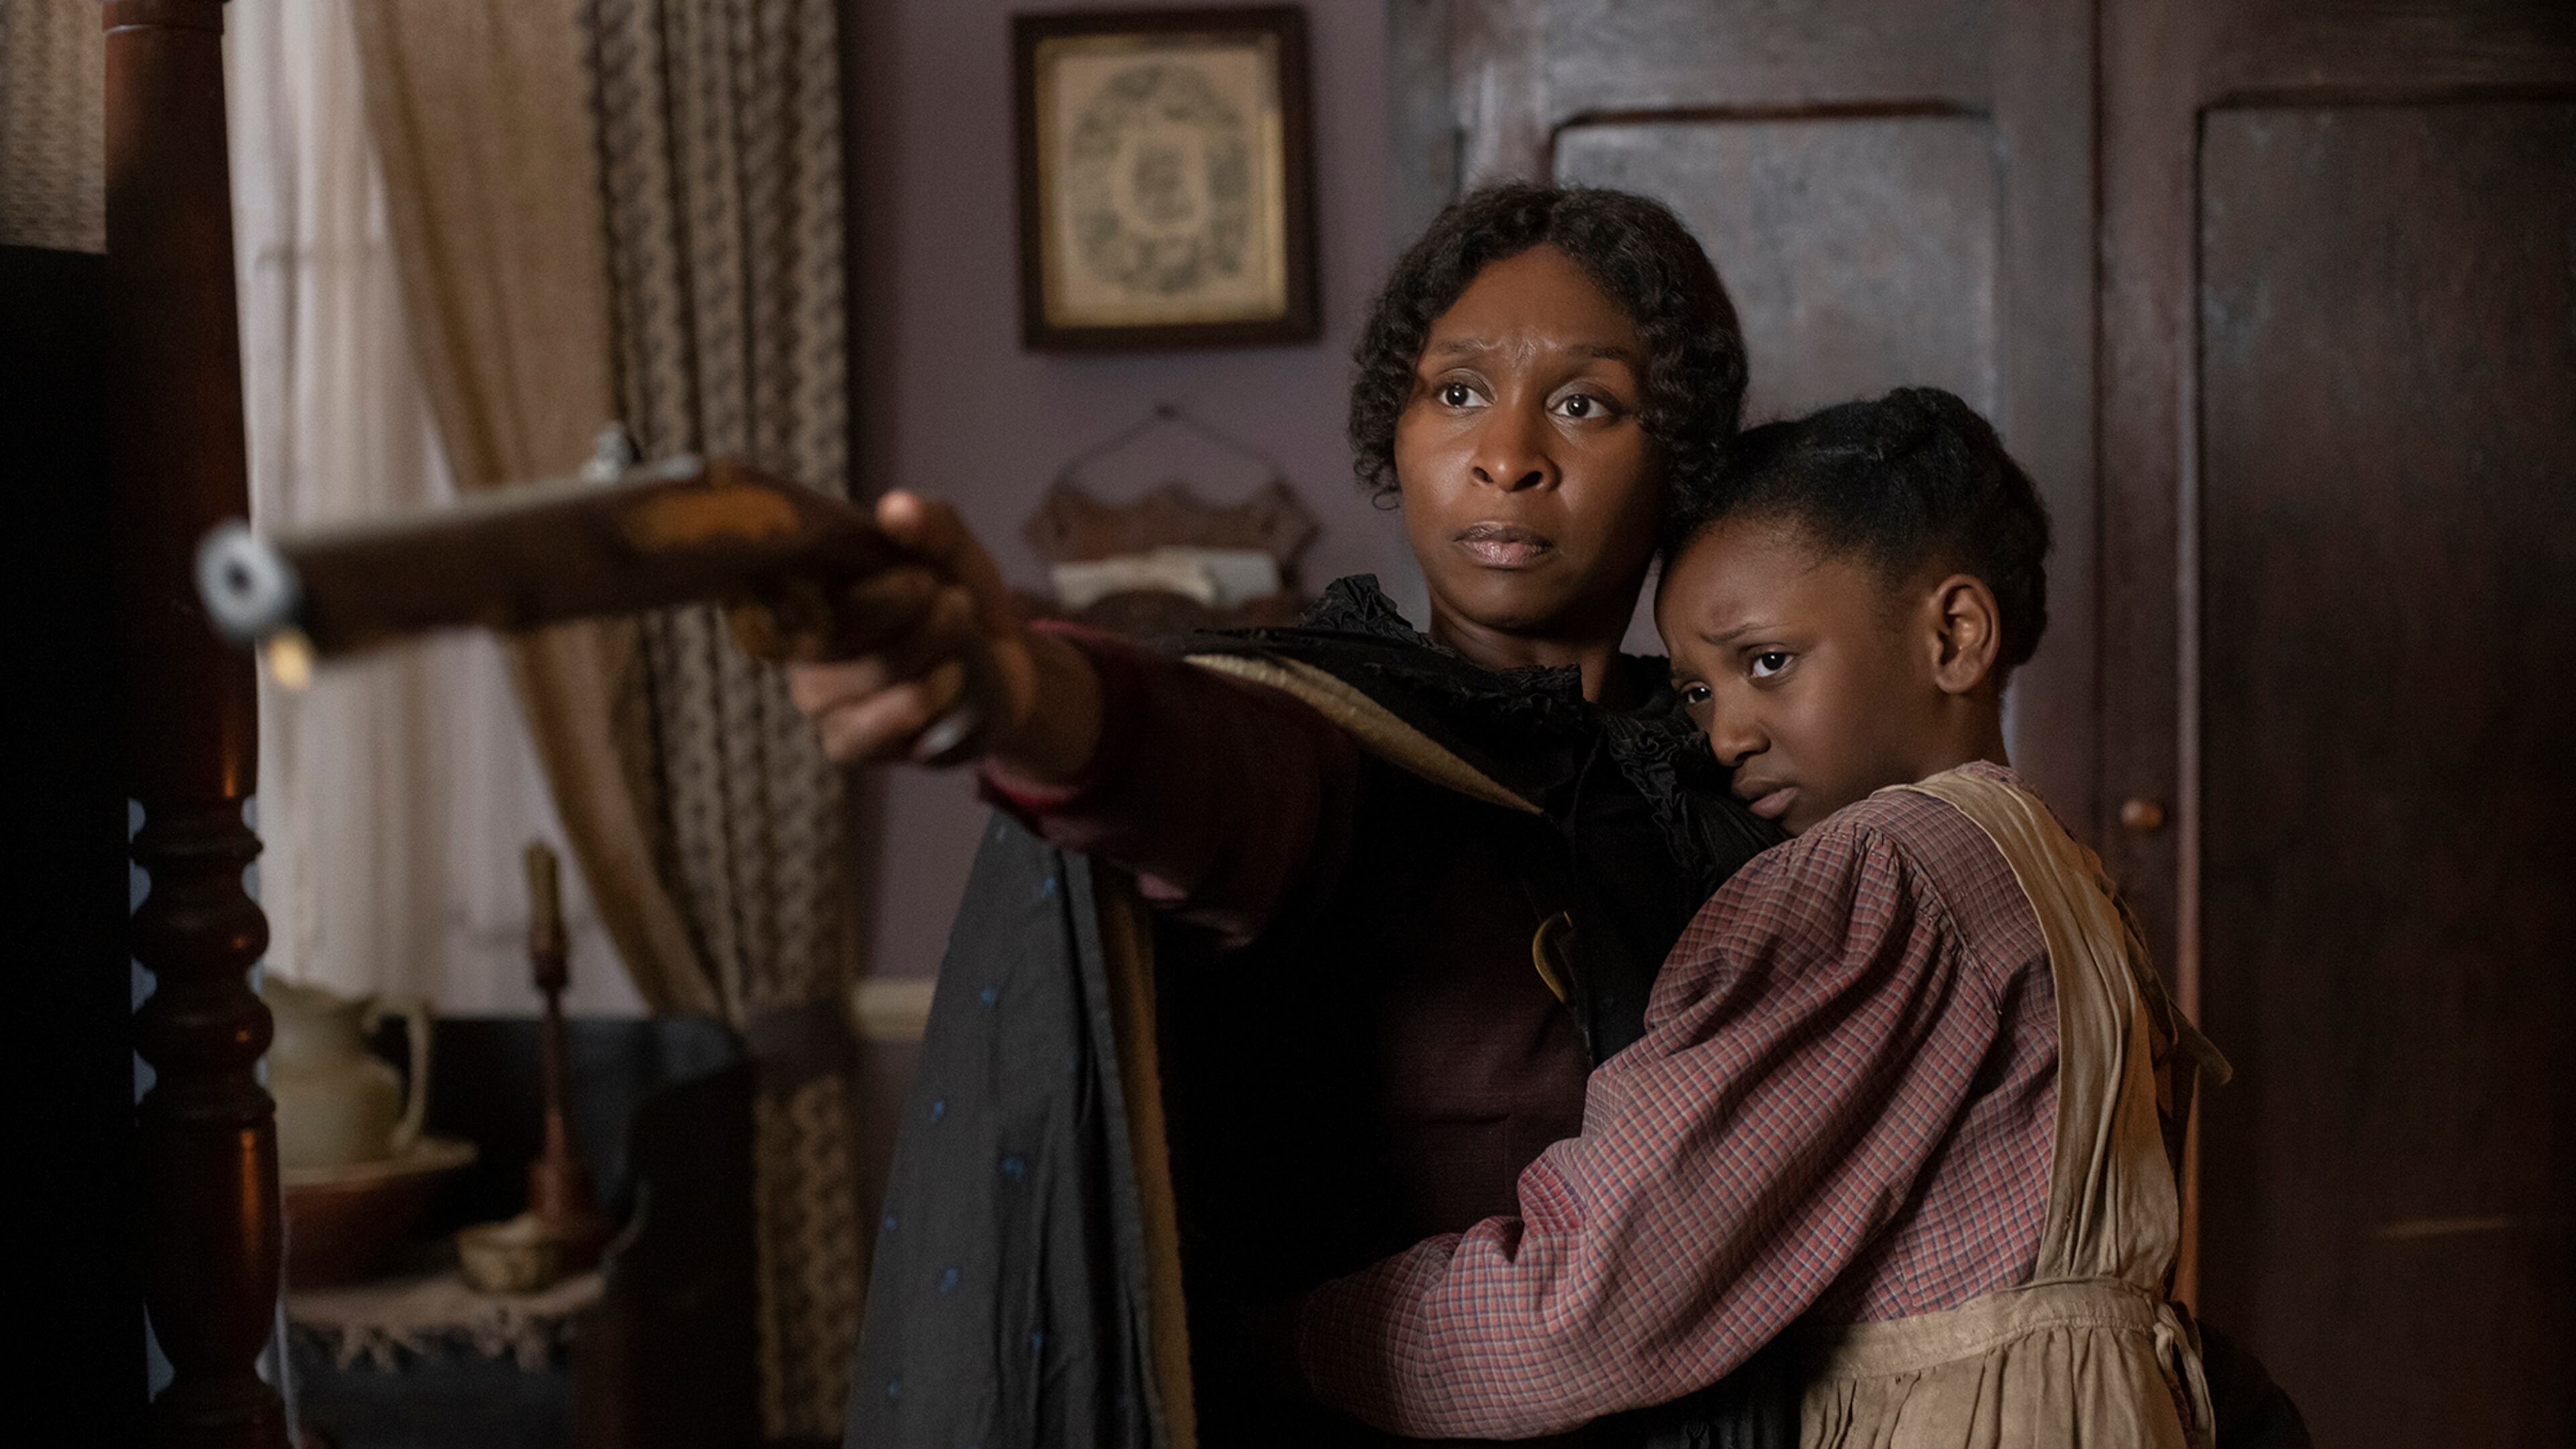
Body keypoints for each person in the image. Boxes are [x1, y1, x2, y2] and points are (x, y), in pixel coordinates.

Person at [795, 184, 1798, 1448]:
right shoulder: (1330, 739)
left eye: (1584, 405)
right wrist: (1003, 687)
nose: (1507, 456)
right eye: (1459, 392)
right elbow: (1190, 769)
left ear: (1681, 457)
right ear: (1397, 427)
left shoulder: (1738, 776)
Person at [1281, 388, 2248, 1448]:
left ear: (1956, 636)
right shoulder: (2056, 874)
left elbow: (1599, 1299)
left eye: (1769, 663)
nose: (1726, 736)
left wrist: (1302, 1336)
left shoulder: (1879, 874)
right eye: (1697, 691)